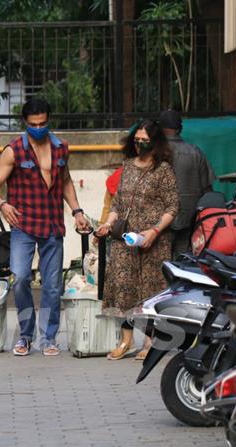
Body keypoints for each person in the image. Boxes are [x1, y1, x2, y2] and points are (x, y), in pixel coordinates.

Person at [0, 98, 90, 357]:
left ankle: (49, 337)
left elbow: (65, 181)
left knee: (53, 284)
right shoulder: (13, 150)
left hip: (53, 225)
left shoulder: (61, 148)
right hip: (23, 224)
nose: (38, 127)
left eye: (43, 123)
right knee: (20, 278)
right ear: (25, 123)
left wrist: (77, 211)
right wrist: (2, 205)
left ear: (49, 120)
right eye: (33, 124)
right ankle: (25, 334)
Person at [96, 120, 179, 360]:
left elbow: (173, 206)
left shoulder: (164, 170)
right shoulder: (127, 167)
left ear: (155, 143)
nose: (140, 144)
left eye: (145, 140)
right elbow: (118, 204)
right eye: (137, 140)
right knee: (124, 290)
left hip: (153, 240)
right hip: (125, 239)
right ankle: (126, 341)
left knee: (150, 291)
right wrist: (108, 224)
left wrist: (154, 231)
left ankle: (150, 342)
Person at [159, 109, 215, 257]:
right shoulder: (195, 152)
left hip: (160, 220)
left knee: (161, 260)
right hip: (188, 217)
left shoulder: (155, 151)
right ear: (180, 129)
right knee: (182, 257)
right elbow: (207, 189)